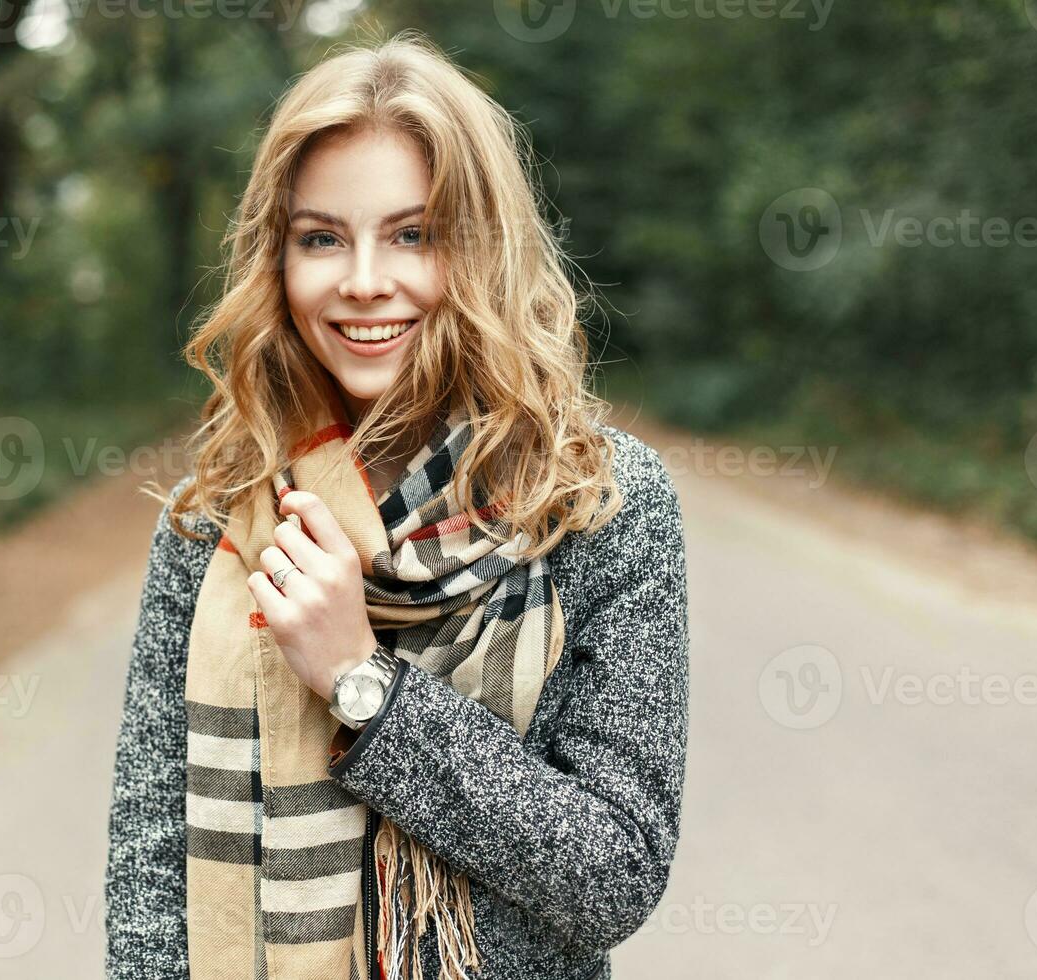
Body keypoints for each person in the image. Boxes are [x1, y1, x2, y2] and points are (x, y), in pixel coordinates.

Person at [104, 30, 688, 980]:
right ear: (277, 261)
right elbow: (147, 881)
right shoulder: (217, 517)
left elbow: (613, 874)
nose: (364, 279)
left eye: (413, 234)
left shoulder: (592, 504)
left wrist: (363, 683)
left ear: (482, 249)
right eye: (322, 237)